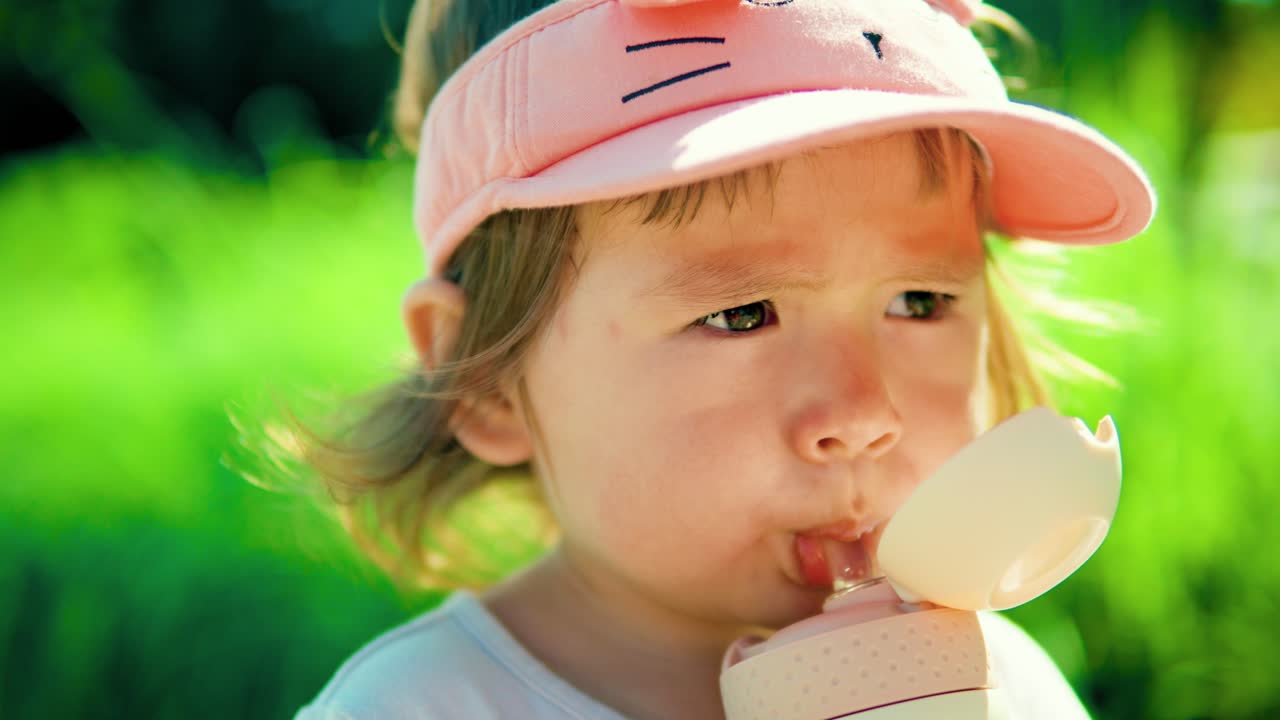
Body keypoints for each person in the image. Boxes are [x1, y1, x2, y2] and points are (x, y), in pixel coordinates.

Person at [286, 0, 1155, 717]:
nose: (860, 418)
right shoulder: (425, 705)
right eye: (742, 314)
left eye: (919, 302)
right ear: (485, 380)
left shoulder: (998, 683)